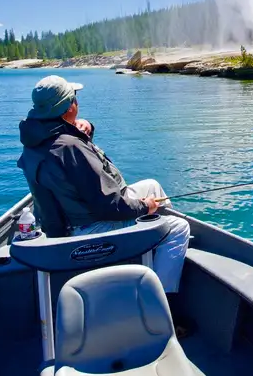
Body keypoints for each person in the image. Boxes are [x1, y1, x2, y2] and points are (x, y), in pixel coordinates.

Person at [17, 75, 190, 295]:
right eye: (74, 98)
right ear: (69, 108)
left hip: (62, 223)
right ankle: (160, 300)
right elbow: (109, 206)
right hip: (90, 229)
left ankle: (154, 244)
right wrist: (145, 207)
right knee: (177, 228)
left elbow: (72, 167)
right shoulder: (70, 147)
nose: (77, 102)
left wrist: (84, 128)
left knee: (152, 186)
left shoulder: (35, 140)